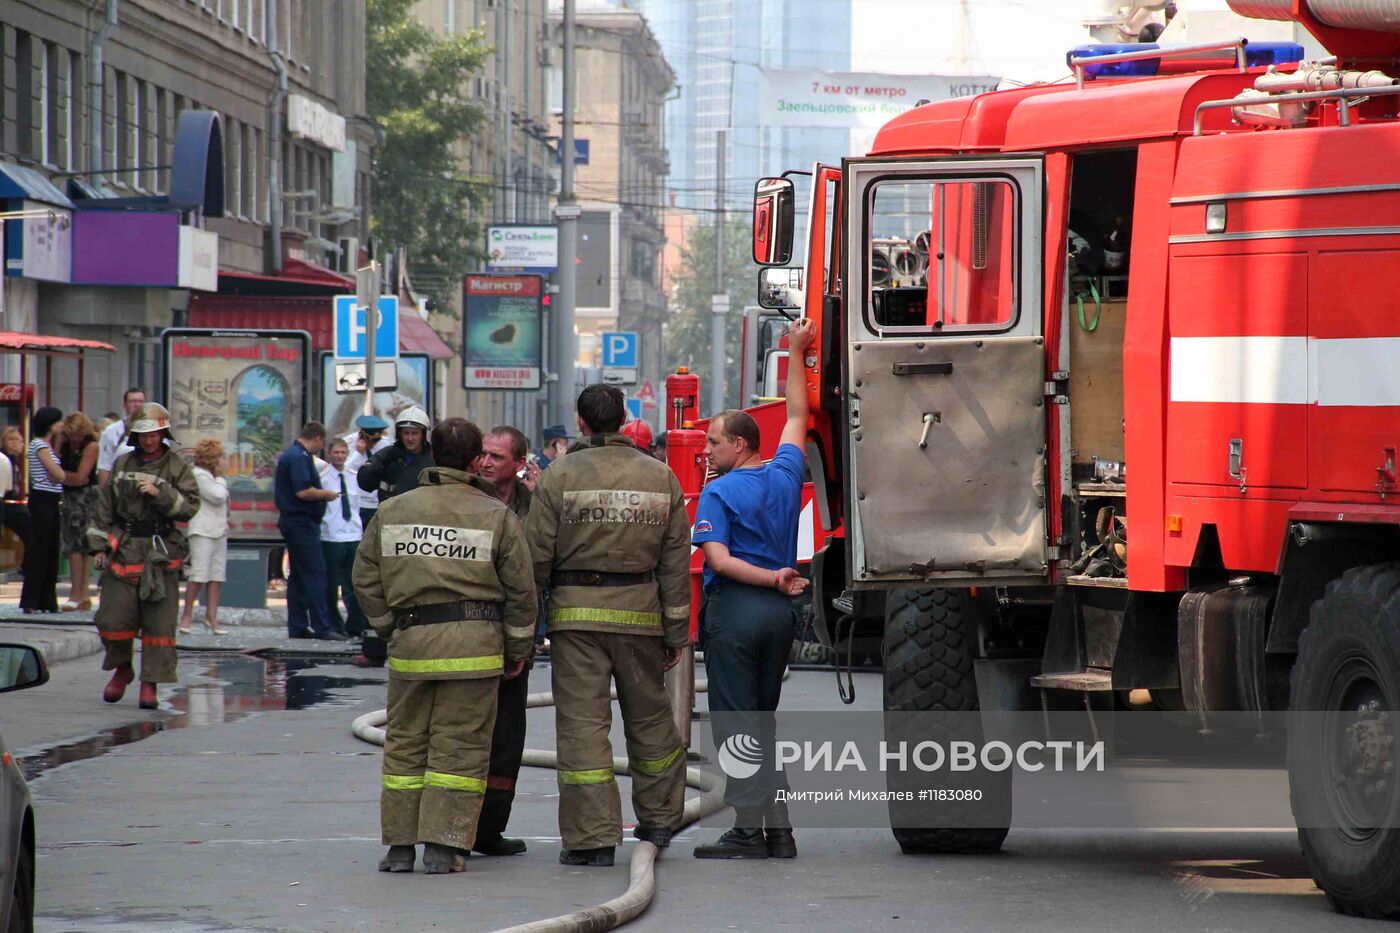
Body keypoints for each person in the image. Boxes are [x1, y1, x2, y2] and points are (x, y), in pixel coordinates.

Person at [353, 417, 537, 875]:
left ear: (432, 453)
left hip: (412, 648)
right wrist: (517, 651)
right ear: (476, 460)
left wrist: (388, 629)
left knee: (405, 748)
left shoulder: (393, 510)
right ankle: (444, 847)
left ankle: (399, 849)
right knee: (459, 750)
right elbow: (521, 593)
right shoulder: (497, 515)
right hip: (475, 651)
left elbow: (364, 577)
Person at [525, 384, 692, 867]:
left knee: (582, 728)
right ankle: (660, 820)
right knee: (652, 721)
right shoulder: (660, 477)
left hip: (576, 620)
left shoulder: (559, 477)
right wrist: (676, 633)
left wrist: (527, 628)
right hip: (641, 617)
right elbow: (675, 564)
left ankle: (592, 839)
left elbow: (536, 557)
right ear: (623, 419)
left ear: (580, 421)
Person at [691, 317, 815, 860]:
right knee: (761, 720)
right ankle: (780, 829)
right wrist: (797, 350)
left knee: (738, 724)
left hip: (739, 613)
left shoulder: (718, 494)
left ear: (738, 444)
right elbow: (797, 414)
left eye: (713, 441)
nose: (708, 450)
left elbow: (716, 559)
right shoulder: (785, 473)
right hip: (778, 618)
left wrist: (770, 575)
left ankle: (746, 831)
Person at [88, 403, 201, 709]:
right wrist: (98, 547)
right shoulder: (122, 463)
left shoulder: (177, 466)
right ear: (135, 436)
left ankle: (150, 683)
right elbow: (104, 507)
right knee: (112, 618)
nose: (149, 441)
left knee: (159, 625)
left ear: (163, 433)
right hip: (123, 549)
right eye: (143, 435)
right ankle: (122, 668)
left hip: (160, 552)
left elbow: (191, 506)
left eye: (154, 435)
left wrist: (160, 492)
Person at [469, 425, 538, 857]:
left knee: (507, 738)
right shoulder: (467, 500)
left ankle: (490, 829)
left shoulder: (535, 507)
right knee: (466, 735)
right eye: (483, 455)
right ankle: (454, 826)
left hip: (516, 634)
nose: (487, 461)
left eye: (497, 456)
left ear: (520, 463)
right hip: (472, 630)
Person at [352, 407, 435, 667]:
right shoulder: (388, 456)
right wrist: (378, 462)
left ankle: (418, 647)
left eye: (415, 433)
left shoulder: (433, 460)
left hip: (422, 534)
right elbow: (365, 481)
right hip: (388, 531)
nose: (411, 438)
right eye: (406, 433)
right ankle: (374, 649)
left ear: (423, 434)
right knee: (379, 588)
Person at [274, 422, 346, 641]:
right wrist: (327, 494)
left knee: (297, 576)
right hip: (301, 522)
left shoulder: (296, 455)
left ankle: (297, 626)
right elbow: (303, 491)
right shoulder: (298, 457)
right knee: (316, 573)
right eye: (322, 443)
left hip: (297, 523)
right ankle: (323, 626)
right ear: (318, 439)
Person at [179, 438, 230, 636]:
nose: (224, 461)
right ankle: (187, 615)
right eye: (221, 457)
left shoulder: (212, 477)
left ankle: (211, 617)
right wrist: (221, 478)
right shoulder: (200, 475)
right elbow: (217, 497)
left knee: (217, 574)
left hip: (218, 529)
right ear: (213, 460)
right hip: (202, 530)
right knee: (199, 573)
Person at [320, 437, 367, 638]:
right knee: (332, 583)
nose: (339, 456)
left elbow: (358, 505)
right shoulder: (323, 478)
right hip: (331, 535)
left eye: (343, 452)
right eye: (336, 452)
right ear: (330, 453)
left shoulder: (353, 476)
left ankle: (355, 625)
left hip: (353, 534)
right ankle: (334, 624)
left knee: (353, 583)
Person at [22, 408, 67, 613]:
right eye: (59, 421)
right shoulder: (40, 445)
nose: (62, 424)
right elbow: (57, 474)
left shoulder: (48, 445)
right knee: (40, 550)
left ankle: (46, 600)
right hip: (43, 499)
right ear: (51, 424)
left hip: (50, 499)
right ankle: (33, 600)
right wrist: (60, 474)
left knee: (50, 550)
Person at [58, 412, 101, 612]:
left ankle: (77, 594)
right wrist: (67, 476)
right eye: (71, 435)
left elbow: (82, 477)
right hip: (69, 497)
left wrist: (61, 476)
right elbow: (56, 466)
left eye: (78, 435)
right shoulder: (65, 444)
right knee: (75, 546)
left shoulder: (91, 446)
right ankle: (81, 595)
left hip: (85, 498)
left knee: (79, 547)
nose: (75, 439)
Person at [345, 414, 392, 530]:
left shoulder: (385, 444)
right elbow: (344, 472)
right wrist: (358, 454)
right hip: (357, 503)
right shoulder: (348, 444)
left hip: (377, 502)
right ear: (362, 435)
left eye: (376, 440)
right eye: (370, 440)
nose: (373, 444)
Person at [97, 388, 147, 486]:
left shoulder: (158, 431)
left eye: (140, 401)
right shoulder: (111, 432)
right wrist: (105, 496)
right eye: (132, 401)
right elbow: (104, 466)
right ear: (125, 405)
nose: (137, 405)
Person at [2, 427, 30, 556]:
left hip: (12, 500)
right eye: (11, 439)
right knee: (28, 526)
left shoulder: (13, 460)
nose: (21, 444)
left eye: (20, 441)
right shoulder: (5, 459)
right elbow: (8, 488)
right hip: (7, 503)